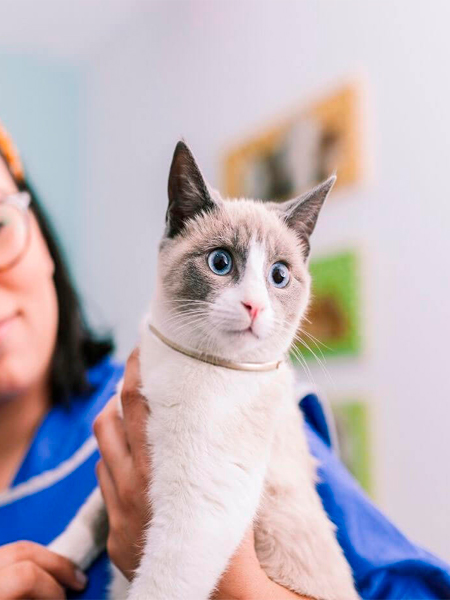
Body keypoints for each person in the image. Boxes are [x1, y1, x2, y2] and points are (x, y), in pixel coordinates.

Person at [0, 120, 450, 600]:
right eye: (220, 264)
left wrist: (237, 586)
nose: (255, 301)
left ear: (42, 237)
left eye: (0, 223)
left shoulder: (261, 392)